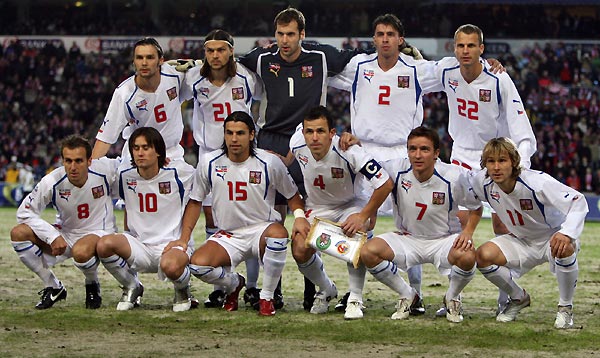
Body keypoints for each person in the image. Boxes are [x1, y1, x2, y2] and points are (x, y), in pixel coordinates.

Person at [238, 7, 359, 310]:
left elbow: (359, 55)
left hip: (308, 141)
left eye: (291, 34)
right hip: (269, 141)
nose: (285, 40)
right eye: (280, 34)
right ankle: (271, 290)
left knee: (309, 214)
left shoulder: (321, 57)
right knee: (271, 219)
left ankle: (314, 290)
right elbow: (231, 60)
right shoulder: (262, 58)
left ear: (302, 35)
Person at [432, 24, 537, 313]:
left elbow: (520, 124)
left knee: (502, 225)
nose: (465, 51)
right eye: (460, 46)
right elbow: (417, 69)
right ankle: (454, 296)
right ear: (454, 49)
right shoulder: (447, 72)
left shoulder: (499, 78)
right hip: (461, 156)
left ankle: (508, 296)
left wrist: (521, 162)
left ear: (482, 49)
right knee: (459, 225)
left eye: (471, 46)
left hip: (495, 157)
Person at [174, 111, 310, 316]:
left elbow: (292, 195)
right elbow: (195, 202)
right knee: (197, 266)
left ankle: (266, 297)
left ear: (252, 135)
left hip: (261, 230)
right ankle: (234, 283)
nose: (234, 139)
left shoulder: (270, 162)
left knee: (279, 235)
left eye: (240, 133)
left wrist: (299, 218)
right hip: (229, 235)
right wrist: (184, 239)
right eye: (229, 133)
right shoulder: (209, 162)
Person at [360, 126, 482, 323]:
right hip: (408, 238)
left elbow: (476, 208)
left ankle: (452, 297)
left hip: (443, 240)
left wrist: (467, 233)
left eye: (424, 149)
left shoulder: (454, 176)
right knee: (368, 252)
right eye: (412, 149)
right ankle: (408, 295)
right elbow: (364, 166)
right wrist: (354, 146)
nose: (417, 155)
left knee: (467, 256)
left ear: (436, 153)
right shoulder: (395, 168)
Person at [181, 29, 264, 309]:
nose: (215, 56)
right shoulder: (193, 78)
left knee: (249, 222)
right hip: (209, 155)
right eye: (210, 50)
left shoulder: (247, 78)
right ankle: (221, 285)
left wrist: (260, 128)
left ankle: (252, 286)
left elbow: (264, 102)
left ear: (231, 51)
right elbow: (170, 95)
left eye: (221, 50)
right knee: (213, 223)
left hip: (244, 157)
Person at [470, 137, 588, 329]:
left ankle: (565, 308)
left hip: (551, 237)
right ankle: (518, 298)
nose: (496, 167)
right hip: (521, 241)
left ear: (514, 162)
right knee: (483, 255)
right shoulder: (482, 183)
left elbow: (578, 200)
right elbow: (459, 185)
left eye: (502, 160)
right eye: (491, 161)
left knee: (565, 247)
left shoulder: (537, 181)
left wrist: (566, 233)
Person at [289, 106, 393, 319]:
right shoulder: (296, 144)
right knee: (299, 247)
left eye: (320, 131)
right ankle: (326, 289)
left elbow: (385, 183)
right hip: (317, 207)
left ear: (332, 133)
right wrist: (299, 216)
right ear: (303, 133)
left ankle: (355, 298)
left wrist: (364, 215)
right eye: (309, 132)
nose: (314, 137)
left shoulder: (349, 150)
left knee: (353, 232)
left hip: (350, 204)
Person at [10, 135, 118, 309]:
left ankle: (92, 284)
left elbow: (133, 164)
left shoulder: (105, 168)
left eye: (78, 161)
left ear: (90, 161)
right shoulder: (51, 181)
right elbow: (24, 213)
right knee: (18, 233)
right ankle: (53, 286)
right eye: (68, 161)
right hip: (66, 234)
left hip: (100, 232)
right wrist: (52, 236)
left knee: (81, 251)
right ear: (62, 161)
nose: (73, 167)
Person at [96, 127, 197, 312]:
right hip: (139, 245)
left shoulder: (181, 173)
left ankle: (183, 290)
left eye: (145, 147)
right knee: (104, 245)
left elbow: (197, 200)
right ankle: (132, 286)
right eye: (135, 148)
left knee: (171, 266)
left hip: (171, 245)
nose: (140, 152)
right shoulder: (123, 176)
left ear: (158, 151)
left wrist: (184, 239)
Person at [92, 37, 189, 178]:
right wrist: (90, 172)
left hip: (172, 155)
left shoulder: (176, 75)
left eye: (150, 57)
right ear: (134, 61)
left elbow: (207, 71)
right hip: (138, 157)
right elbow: (106, 137)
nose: (144, 63)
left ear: (161, 60)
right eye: (139, 58)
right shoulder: (124, 93)